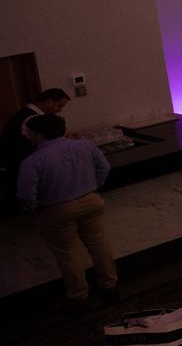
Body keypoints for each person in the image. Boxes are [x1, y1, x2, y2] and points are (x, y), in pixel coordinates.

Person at [15, 115, 116, 309]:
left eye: (31, 134)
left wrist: (33, 209)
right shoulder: (85, 145)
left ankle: (78, 296)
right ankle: (109, 286)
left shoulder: (32, 161)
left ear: (38, 135)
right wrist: (94, 186)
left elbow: (26, 194)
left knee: (68, 253)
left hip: (58, 209)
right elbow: (104, 167)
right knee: (99, 244)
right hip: (91, 200)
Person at [2, 87, 71, 188]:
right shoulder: (32, 120)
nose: (60, 110)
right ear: (49, 102)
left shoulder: (25, 114)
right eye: (59, 106)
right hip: (16, 168)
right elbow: (46, 143)